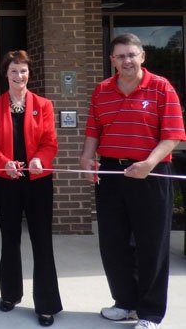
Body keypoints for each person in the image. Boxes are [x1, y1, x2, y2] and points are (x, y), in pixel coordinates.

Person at [80, 33, 186, 329]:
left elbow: (173, 135)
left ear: (142, 56)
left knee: (151, 244)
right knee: (113, 243)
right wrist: (87, 158)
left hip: (151, 173)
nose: (127, 61)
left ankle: (150, 312)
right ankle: (124, 302)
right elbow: (93, 130)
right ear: (112, 60)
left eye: (131, 55)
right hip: (112, 173)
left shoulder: (161, 87)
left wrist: (149, 163)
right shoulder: (101, 90)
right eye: (120, 56)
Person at [0, 50, 62, 327]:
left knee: (42, 241)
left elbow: (50, 142)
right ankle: (10, 294)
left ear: (30, 73)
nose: (19, 76)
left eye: (24, 70)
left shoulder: (44, 104)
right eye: (14, 71)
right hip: (6, 181)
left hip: (38, 180)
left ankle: (47, 303)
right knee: (10, 238)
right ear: (6, 74)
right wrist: (4, 163)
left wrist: (41, 158)